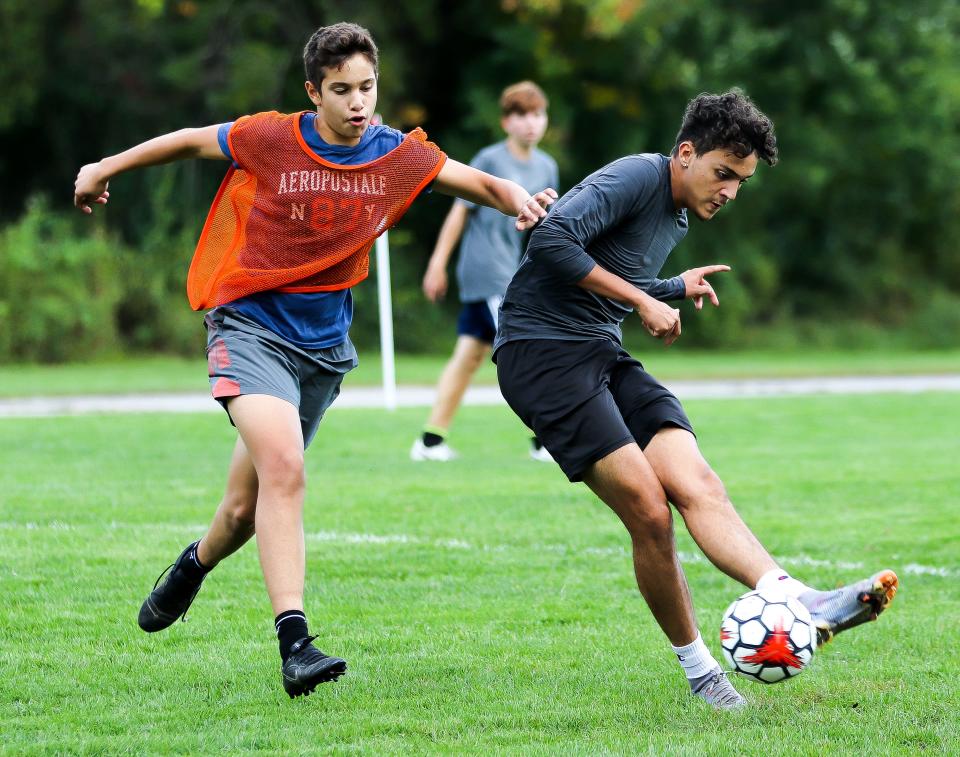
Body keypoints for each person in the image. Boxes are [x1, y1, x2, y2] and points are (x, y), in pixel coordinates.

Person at [73, 22, 556, 699]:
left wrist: (521, 202)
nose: (358, 102)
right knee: (287, 468)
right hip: (248, 324)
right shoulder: (272, 138)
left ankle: (192, 565)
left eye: (367, 88)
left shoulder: (394, 154)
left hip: (323, 349)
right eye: (341, 90)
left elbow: (480, 183)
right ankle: (295, 642)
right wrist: (103, 167)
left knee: (245, 509)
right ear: (313, 91)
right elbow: (187, 140)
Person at [492, 90, 898, 709]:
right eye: (723, 174)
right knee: (650, 513)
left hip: (600, 350)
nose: (730, 192)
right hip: (540, 353)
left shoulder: (679, 217)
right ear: (685, 153)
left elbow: (608, 272)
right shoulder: (636, 175)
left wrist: (670, 287)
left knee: (698, 483)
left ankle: (797, 598)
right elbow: (550, 241)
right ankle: (703, 673)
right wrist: (643, 300)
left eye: (741, 182)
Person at [411, 81, 559, 463]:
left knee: (468, 357)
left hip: (512, 271)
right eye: (522, 115)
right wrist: (436, 264)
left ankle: (429, 441)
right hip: (487, 272)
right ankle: (546, 440)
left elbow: (545, 226)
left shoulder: (547, 166)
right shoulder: (490, 160)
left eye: (538, 114)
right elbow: (459, 211)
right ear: (506, 121)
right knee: (526, 348)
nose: (531, 123)